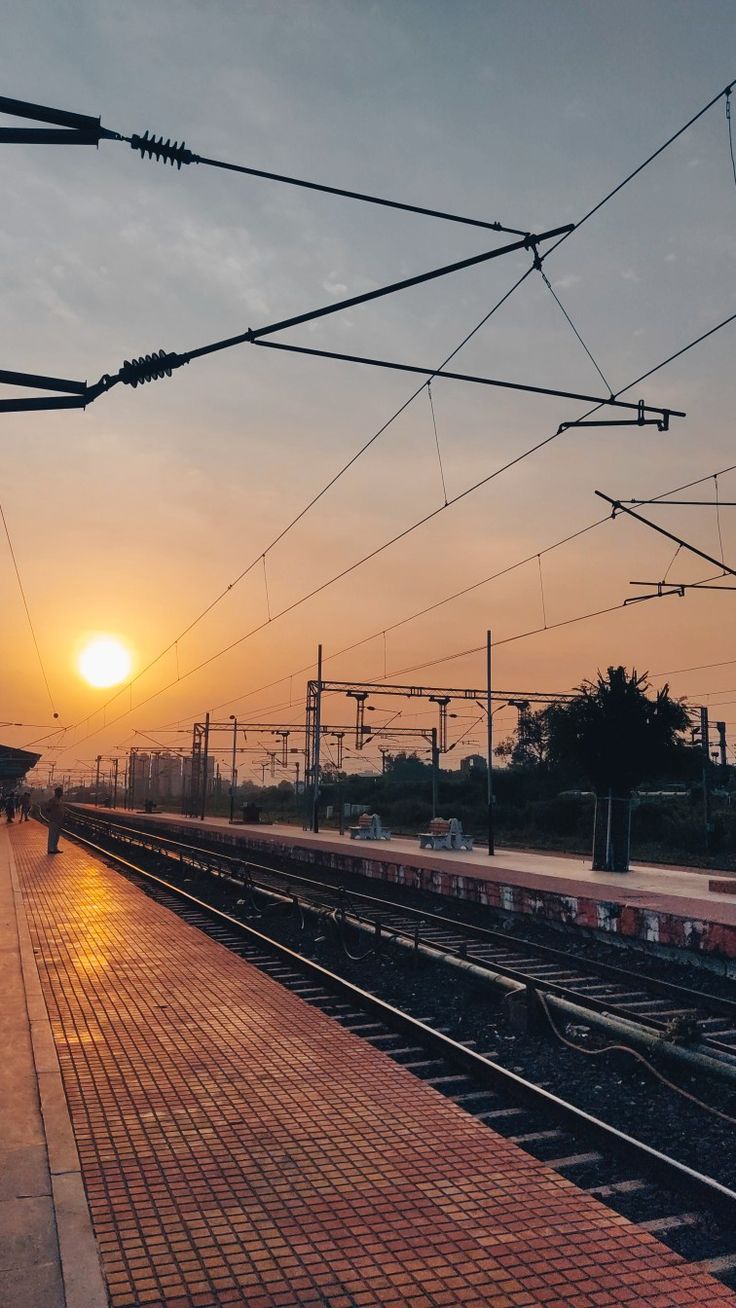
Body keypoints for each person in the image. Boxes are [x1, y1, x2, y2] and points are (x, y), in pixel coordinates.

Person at [43, 787, 65, 854]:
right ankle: (50, 849)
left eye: (61, 792)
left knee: (57, 836)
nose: (61, 793)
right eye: (60, 792)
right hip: (53, 820)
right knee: (52, 835)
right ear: (57, 792)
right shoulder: (52, 800)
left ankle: (55, 848)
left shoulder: (60, 800)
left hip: (59, 821)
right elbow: (47, 809)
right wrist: (50, 816)